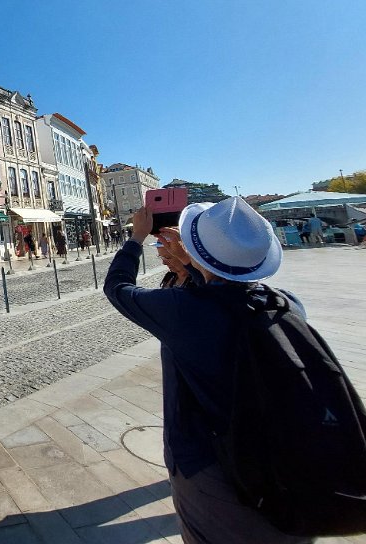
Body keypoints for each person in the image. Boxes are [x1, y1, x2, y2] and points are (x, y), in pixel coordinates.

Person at [103, 197, 312, 543]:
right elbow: (228, 297)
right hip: (285, 452)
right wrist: (193, 263)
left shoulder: (183, 310)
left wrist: (136, 238)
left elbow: (118, 288)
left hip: (208, 464)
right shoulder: (287, 304)